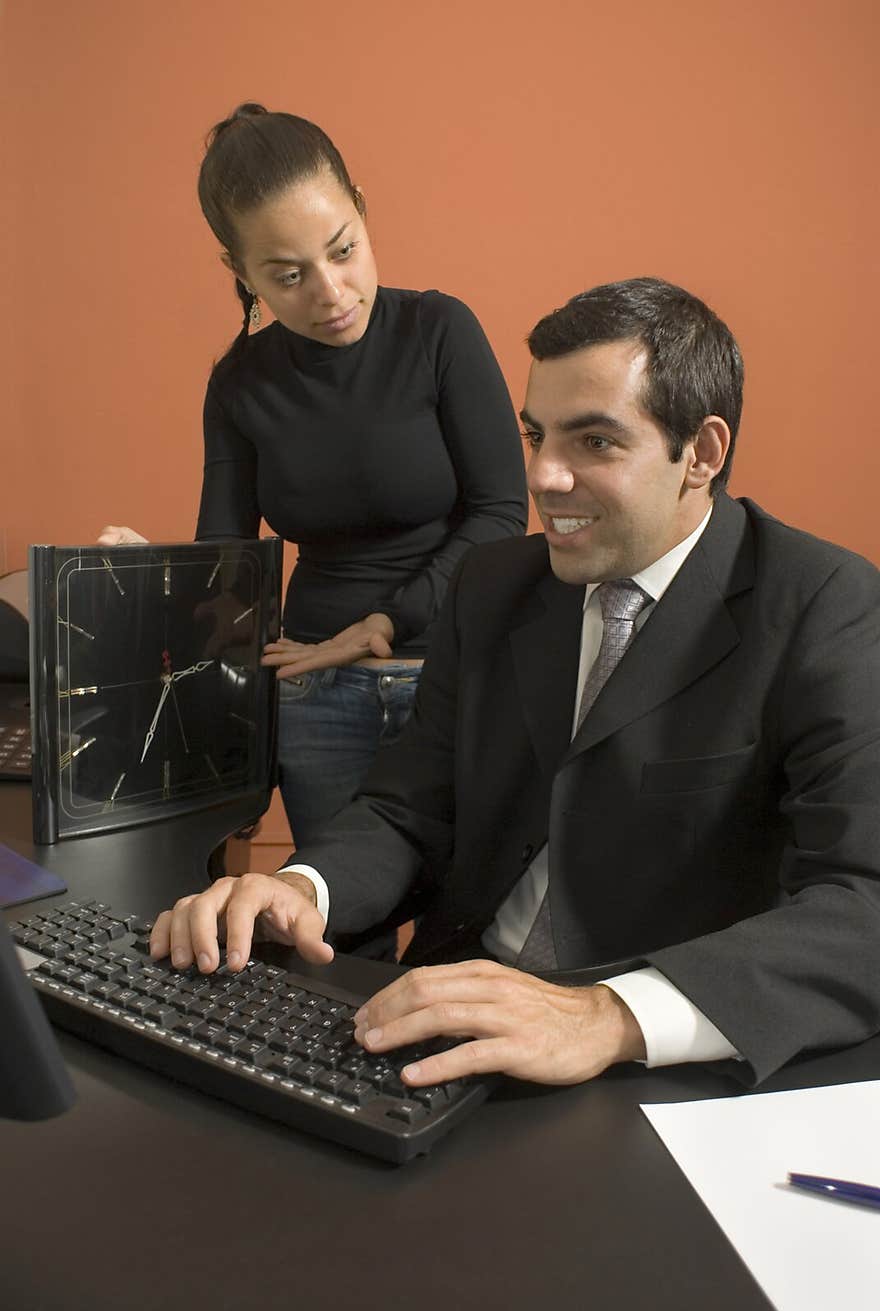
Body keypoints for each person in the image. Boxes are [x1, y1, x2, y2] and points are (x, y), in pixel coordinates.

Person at [150, 276, 880, 1093]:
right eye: (537, 436)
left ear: (702, 454)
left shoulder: (825, 604)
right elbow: (409, 808)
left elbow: (863, 906)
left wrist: (606, 1015)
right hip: (450, 1023)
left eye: (594, 442)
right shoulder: (493, 584)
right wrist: (299, 887)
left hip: (648, 1063)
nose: (544, 477)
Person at [98, 103, 528, 948]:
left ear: (362, 208)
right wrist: (155, 579)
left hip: (449, 671)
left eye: (343, 250)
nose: (331, 294)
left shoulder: (440, 331)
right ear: (239, 269)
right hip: (314, 696)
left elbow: (500, 516)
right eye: (287, 275)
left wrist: (378, 624)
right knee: (331, 932)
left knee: (468, 925)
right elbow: (228, 561)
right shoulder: (239, 385)